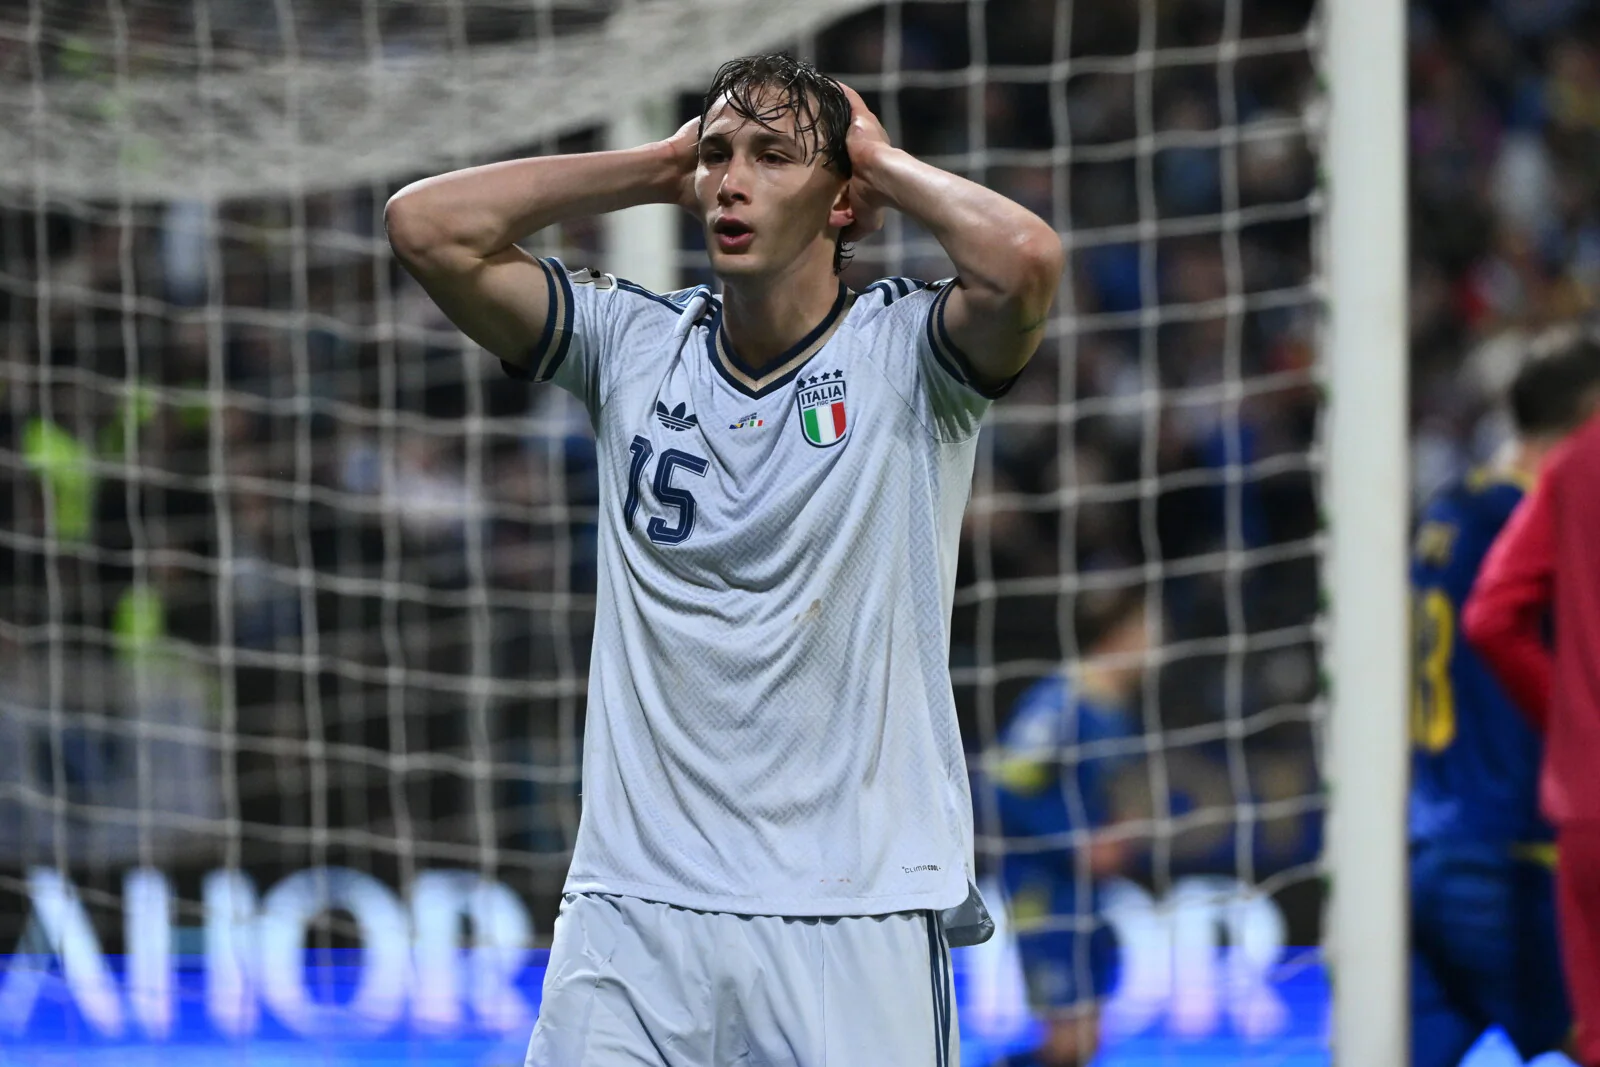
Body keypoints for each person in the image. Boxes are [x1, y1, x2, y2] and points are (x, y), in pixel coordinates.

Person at [385, 53, 1063, 1067]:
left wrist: (875, 157)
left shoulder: (908, 356)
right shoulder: (629, 345)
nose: (731, 180)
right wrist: (659, 165)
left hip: (851, 911)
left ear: (844, 201)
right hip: (631, 906)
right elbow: (425, 226)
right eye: (718, 155)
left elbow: (1025, 259)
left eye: (774, 156)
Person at [1409, 332, 1600, 1067]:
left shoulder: (1450, 510)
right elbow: (1504, 630)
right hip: (1510, 852)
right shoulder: (1540, 523)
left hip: (1427, 844)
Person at [985, 587, 1148, 1067]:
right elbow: (1005, 785)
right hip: (1043, 887)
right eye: (1148, 630)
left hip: (1087, 890)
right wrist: (1077, 842)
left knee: (1085, 1041)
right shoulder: (1059, 702)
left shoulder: (1114, 708)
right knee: (1067, 1043)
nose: (1158, 645)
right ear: (1117, 635)